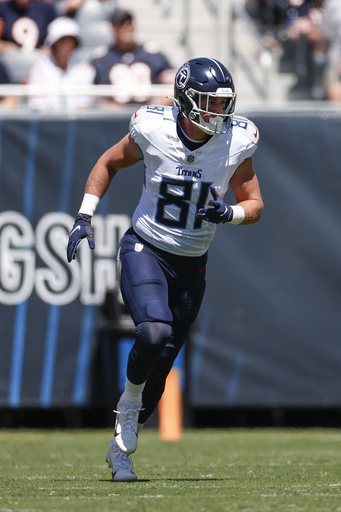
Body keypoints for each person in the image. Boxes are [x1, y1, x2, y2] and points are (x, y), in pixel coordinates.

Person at [66, 57, 263, 481]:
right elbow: (108, 162)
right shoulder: (152, 127)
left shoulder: (237, 139)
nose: (218, 112)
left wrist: (227, 213)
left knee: (164, 358)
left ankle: (121, 445)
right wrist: (84, 216)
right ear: (187, 100)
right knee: (153, 331)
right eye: (209, 102)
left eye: (223, 103)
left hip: (193, 263)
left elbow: (255, 204)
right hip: (145, 247)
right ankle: (129, 408)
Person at [91, 8, 175, 107]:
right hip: (113, 119)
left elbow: (173, 86)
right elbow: (90, 95)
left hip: (150, 115)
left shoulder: (153, 54)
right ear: (113, 28)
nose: (127, 27)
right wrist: (106, 105)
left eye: (129, 23)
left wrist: (158, 102)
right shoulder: (101, 58)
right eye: (121, 24)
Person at [28, 16, 96, 110]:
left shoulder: (85, 68)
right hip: (47, 122)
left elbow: (85, 103)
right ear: (54, 42)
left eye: (71, 39)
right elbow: (38, 104)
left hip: (77, 122)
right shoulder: (39, 68)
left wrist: (71, 120)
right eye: (63, 39)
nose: (68, 43)